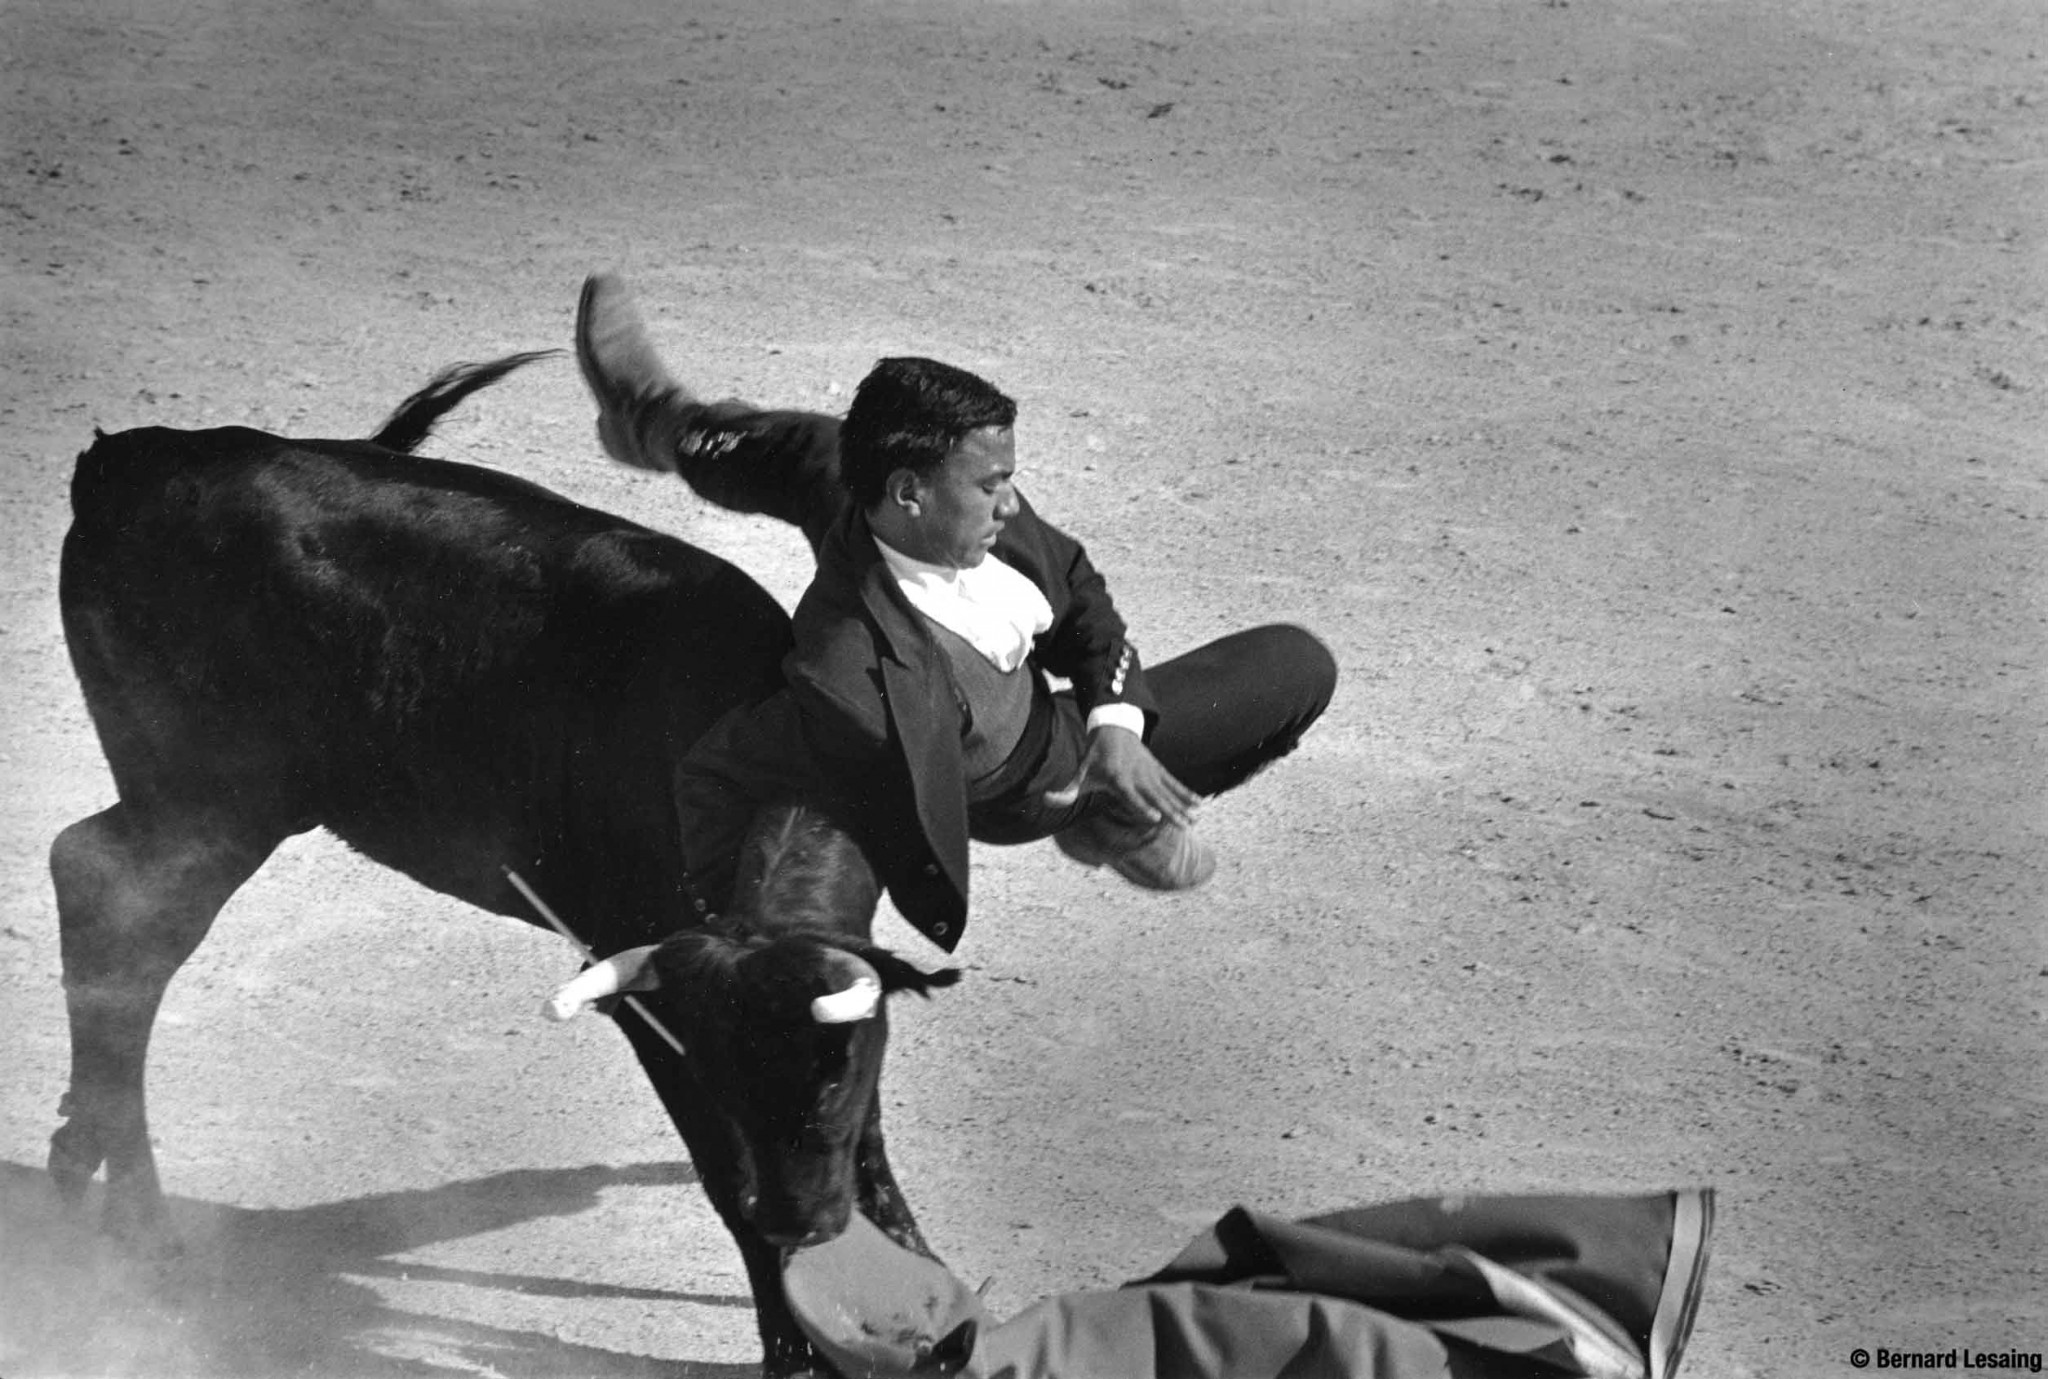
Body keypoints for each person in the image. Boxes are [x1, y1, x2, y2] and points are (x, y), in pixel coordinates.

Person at [576, 274, 1336, 952]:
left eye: (1008, 476)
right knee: (1283, 675)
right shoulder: (850, 677)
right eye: (989, 485)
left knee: (1300, 667)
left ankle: (651, 418)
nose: (1011, 502)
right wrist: (716, 926)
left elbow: (1079, 591)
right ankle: (1096, 813)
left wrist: (1116, 726)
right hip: (1026, 780)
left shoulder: (939, 495)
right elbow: (717, 773)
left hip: (1069, 725)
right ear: (912, 493)